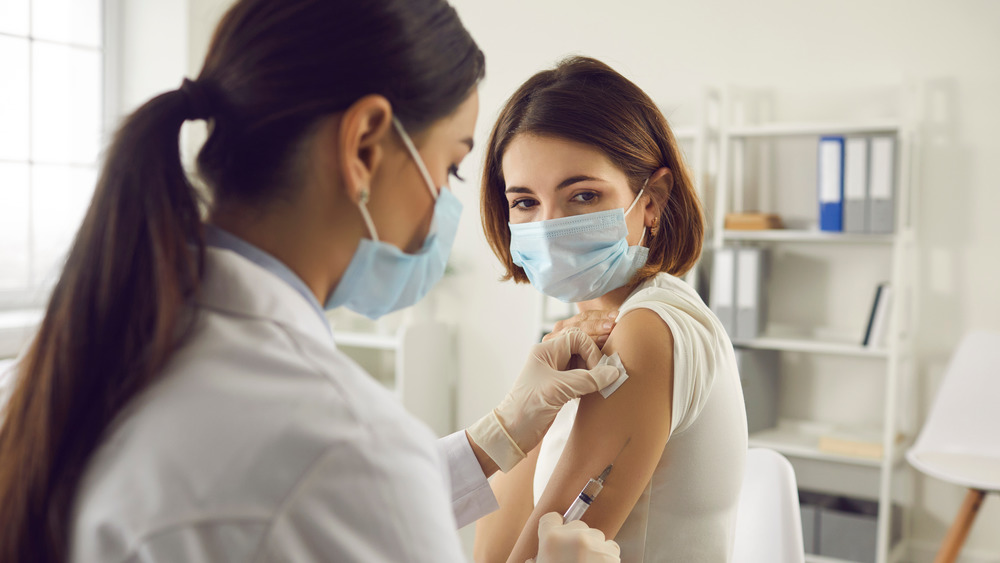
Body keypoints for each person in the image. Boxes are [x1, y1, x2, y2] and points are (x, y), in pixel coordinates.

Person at [0, 2, 623, 562]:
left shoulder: (57, 364)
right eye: (451, 166)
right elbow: (337, 488)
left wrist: (504, 430)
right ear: (365, 146)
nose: (444, 203)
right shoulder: (345, 445)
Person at [474, 57, 749, 562]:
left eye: (582, 195)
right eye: (525, 202)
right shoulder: (578, 340)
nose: (550, 225)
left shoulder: (647, 331)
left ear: (652, 201)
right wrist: (524, 419)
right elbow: (491, 553)